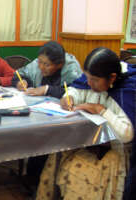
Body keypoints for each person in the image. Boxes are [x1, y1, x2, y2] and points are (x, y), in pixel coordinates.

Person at [36, 47, 135, 200]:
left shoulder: (126, 92)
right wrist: (69, 98)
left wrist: (99, 109)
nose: (89, 83)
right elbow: (76, 90)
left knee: (83, 176)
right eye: (87, 77)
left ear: (112, 78)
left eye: (94, 80)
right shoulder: (91, 81)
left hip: (113, 152)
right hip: (86, 142)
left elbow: (126, 134)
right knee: (57, 152)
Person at [12, 41, 82, 98]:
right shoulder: (37, 63)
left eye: (47, 64)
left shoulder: (71, 69)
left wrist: (47, 89)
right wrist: (21, 82)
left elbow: (77, 92)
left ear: (59, 64)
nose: (41, 67)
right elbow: (17, 75)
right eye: (40, 61)